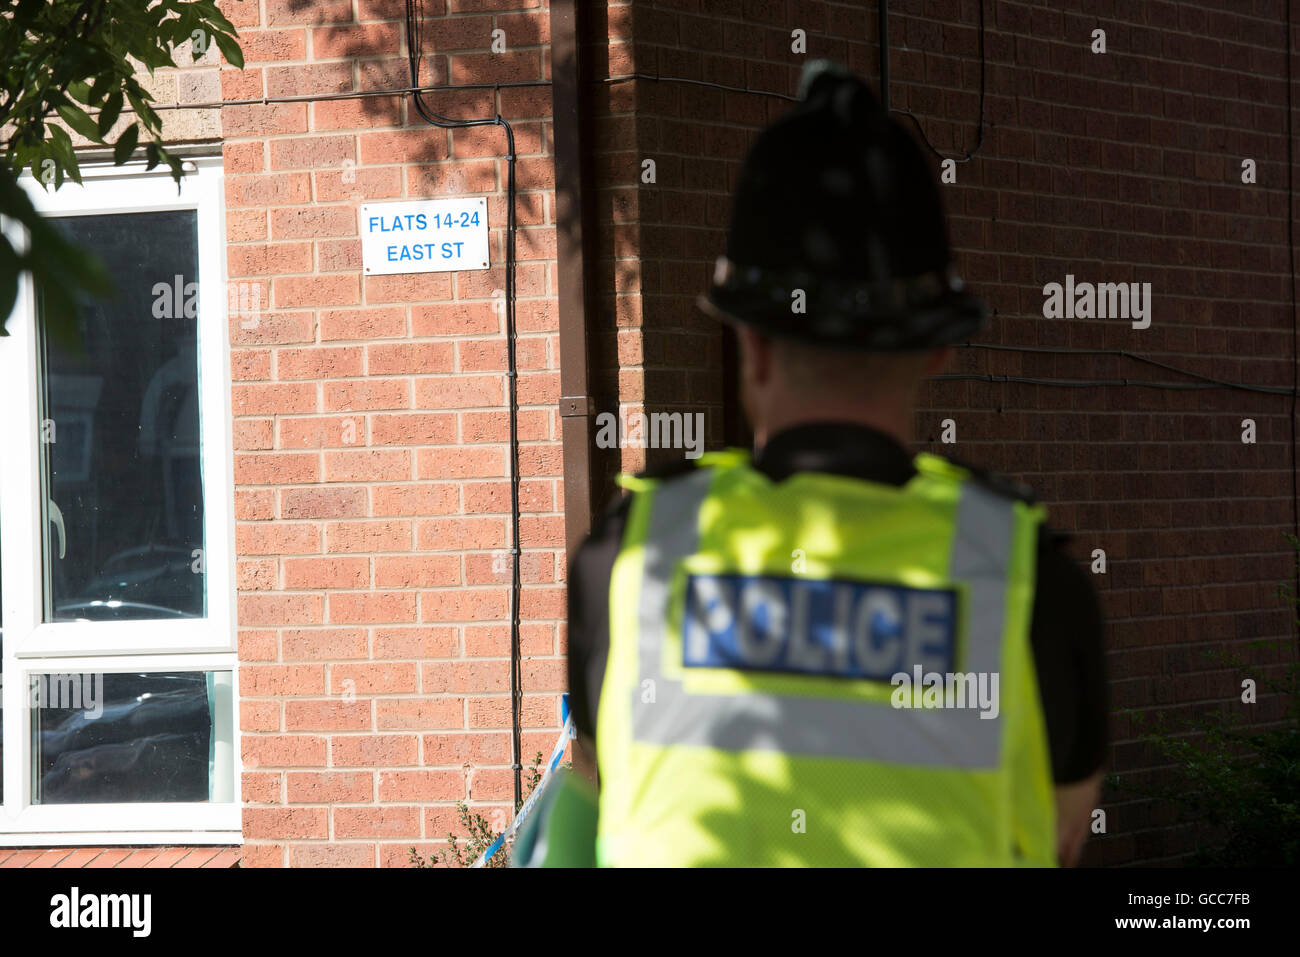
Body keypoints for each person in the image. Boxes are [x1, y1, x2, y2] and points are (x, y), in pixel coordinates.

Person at [534, 60, 1106, 868]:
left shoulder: (628, 555)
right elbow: (1059, 836)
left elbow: (585, 813)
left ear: (750, 341)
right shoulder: (1030, 579)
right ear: (939, 347)